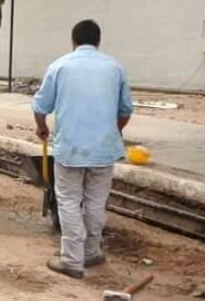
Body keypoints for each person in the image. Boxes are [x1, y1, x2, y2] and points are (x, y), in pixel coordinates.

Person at [32, 19, 133, 279]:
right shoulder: (115, 67)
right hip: (103, 150)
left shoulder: (60, 66)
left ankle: (72, 260)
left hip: (70, 149)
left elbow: (40, 106)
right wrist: (113, 132)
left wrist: (41, 127)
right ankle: (91, 252)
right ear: (98, 41)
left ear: (73, 40)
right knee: (95, 203)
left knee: (68, 202)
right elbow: (125, 111)